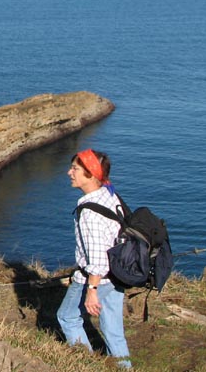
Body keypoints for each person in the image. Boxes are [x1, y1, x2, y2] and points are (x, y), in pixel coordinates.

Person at [57, 149, 132, 369]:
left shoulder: (89, 211)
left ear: (91, 174)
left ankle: (87, 366)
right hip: (118, 273)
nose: (69, 172)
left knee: (68, 317)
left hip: (99, 278)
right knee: (113, 329)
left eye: (75, 169)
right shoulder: (109, 194)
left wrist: (92, 291)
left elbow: (97, 257)